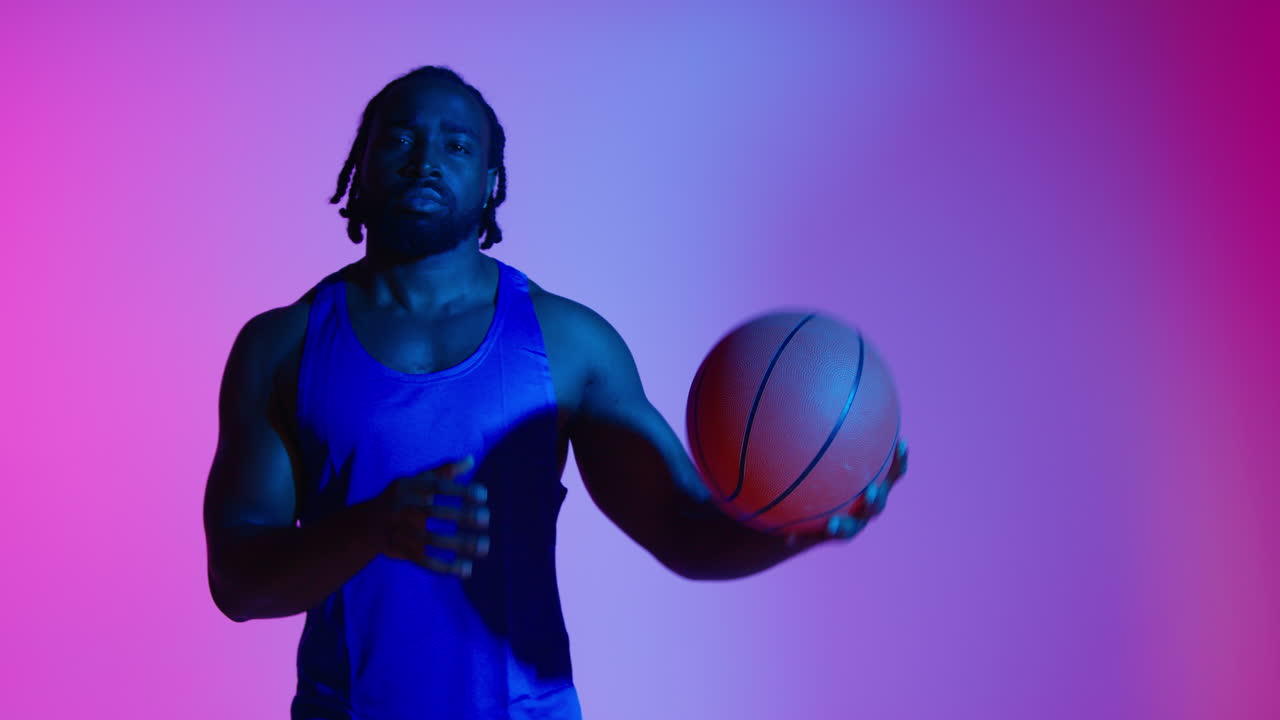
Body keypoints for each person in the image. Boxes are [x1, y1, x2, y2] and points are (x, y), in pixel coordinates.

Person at [202, 64, 908, 720]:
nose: (425, 160)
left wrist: (796, 527)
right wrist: (372, 527)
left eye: (456, 144)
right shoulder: (281, 347)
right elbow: (238, 583)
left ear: (490, 180)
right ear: (362, 164)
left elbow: (682, 529)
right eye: (402, 139)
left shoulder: (569, 345)